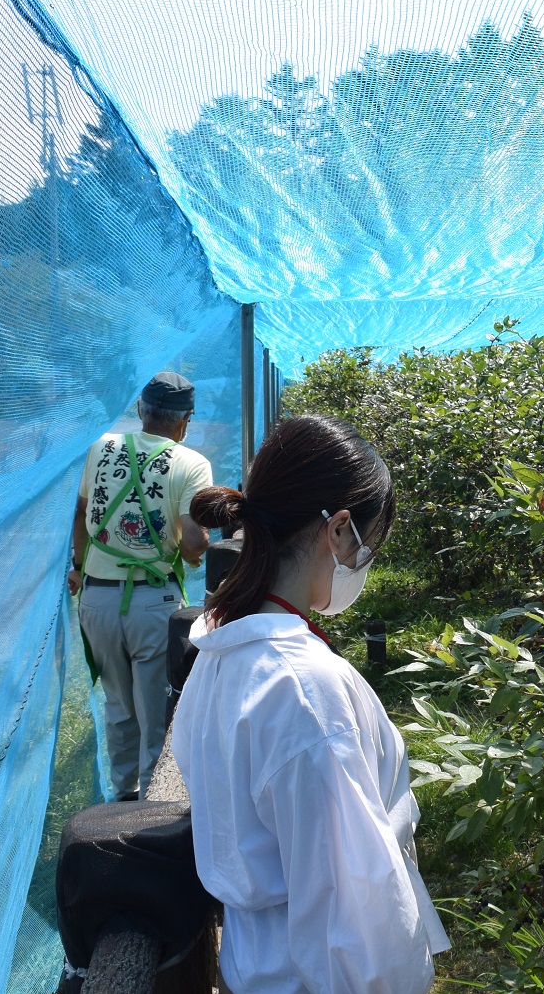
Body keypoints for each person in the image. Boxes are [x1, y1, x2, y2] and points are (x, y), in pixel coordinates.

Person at [171, 414, 449, 994]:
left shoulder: (224, 648)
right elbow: (354, 911)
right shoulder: (304, 692)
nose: (365, 561)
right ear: (340, 529)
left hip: (259, 964)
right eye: (368, 543)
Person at [68, 371, 212, 801]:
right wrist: (197, 550)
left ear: (140, 411)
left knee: (117, 703)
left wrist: (78, 566)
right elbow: (192, 542)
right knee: (156, 710)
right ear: (185, 419)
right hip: (154, 603)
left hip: (97, 598)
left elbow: (79, 515)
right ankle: (150, 807)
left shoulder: (99, 447)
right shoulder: (191, 463)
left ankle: (121, 796)